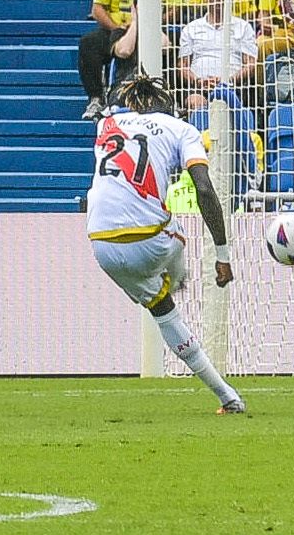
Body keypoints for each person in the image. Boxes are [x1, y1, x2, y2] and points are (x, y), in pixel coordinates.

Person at [87, 75, 245, 413]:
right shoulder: (180, 128)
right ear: (169, 106)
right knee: (176, 236)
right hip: (151, 238)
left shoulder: (108, 124)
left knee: (163, 311)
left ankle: (227, 397)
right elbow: (203, 189)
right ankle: (179, 277)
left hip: (100, 241)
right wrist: (222, 255)